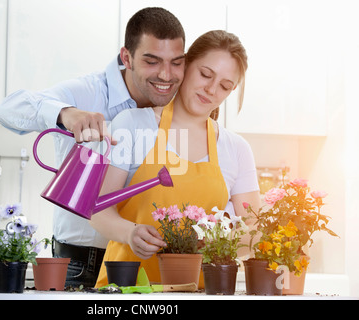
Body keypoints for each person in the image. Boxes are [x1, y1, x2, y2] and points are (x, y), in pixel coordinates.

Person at [0, 7, 186, 288]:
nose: (166, 75)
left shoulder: (176, 106)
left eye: (176, 62)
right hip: (82, 263)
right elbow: (8, 109)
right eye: (152, 61)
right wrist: (66, 113)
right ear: (126, 57)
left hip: (147, 263)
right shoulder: (88, 91)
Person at [89, 30, 261, 287]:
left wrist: (218, 244)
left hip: (198, 292)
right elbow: (99, 210)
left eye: (225, 86)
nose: (211, 90)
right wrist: (130, 233)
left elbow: (253, 233)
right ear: (185, 66)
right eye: (205, 74)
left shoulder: (236, 149)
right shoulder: (133, 125)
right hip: (128, 290)